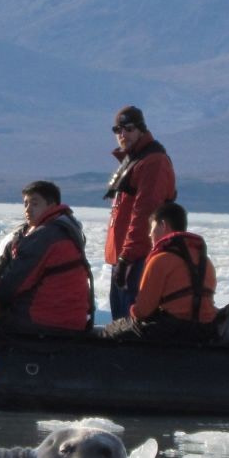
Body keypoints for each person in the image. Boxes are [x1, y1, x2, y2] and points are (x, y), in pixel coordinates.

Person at [0, 180, 94, 335]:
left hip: (44, 320)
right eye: (25, 204)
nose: (28, 210)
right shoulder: (67, 229)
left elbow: (13, 284)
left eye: (35, 204)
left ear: (52, 205)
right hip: (72, 319)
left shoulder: (45, 237)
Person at [101, 200, 216, 340]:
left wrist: (132, 312)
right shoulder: (206, 261)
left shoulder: (160, 260)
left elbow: (143, 311)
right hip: (205, 329)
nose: (149, 234)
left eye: (152, 227)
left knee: (110, 331)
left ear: (163, 225)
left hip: (171, 330)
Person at [103, 104, 176, 321]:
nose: (123, 134)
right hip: (125, 256)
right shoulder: (134, 161)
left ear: (141, 129)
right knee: (120, 322)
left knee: (131, 324)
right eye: (118, 130)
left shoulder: (152, 162)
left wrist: (128, 256)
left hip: (137, 257)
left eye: (129, 128)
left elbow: (145, 213)